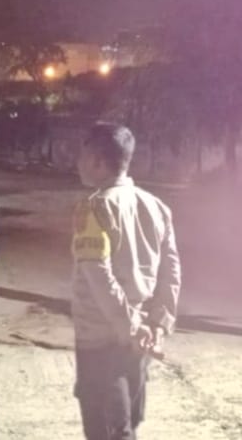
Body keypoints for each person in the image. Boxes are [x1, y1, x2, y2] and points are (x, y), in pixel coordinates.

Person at [71, 122, 181, 440]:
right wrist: (157, 323)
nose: (78, 163)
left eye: (82, 155)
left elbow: (98, 274)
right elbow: (171, 270)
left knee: (108, 430)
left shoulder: (94, 208)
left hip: (102, 339)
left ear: (98, 162)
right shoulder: (157, 206)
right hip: (140, 338)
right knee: (128, 424)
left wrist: (131, 328)